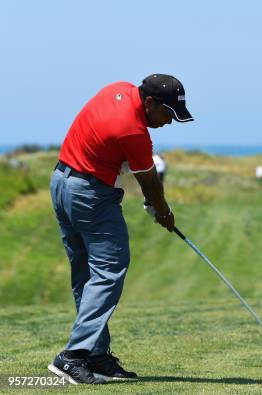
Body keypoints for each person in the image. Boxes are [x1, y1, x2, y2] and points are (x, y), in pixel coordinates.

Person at [48, 74, 193, 384]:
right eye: (167, 114)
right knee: (110, 269)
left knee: (87, 274)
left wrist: (153, 203)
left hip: (61, 182)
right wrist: (163, 211)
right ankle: (73, 357)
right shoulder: (133, 130)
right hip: (89, 195)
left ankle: (95, 354)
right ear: (150, 103)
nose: (168, 122)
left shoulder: (119, 89)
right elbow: (149, 181)